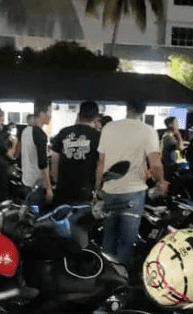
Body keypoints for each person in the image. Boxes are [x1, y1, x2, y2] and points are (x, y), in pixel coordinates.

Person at [95, 97, 167, 265]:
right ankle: (122, 274)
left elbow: (101, 162)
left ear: (127, 108)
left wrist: (98, 186)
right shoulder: (148, 131)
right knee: (126, 241)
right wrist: (161, 181)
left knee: (109, 235)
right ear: (143, 110)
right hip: (133, 193)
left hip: (110, 190)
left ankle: (106, 272)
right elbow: (155, 164)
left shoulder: (109, 128)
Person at [51, 100, 102, 205]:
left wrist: (55, 181)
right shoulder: (98, 136)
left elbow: (54, 159)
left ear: (79, 115)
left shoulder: (64, 132)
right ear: (96, 118)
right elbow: (101, 163)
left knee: (62, 215)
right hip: (85, 191)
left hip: (63, 189)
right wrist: (97, 187)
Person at [20, 101, 54, 209]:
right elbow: (43, 164)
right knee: (38, 215)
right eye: (49, 113)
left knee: (29, 213)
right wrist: (49, 188)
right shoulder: (40, 134)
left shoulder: (25, 131)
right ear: (42, 114)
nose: (51, 116)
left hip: (26, 182)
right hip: (36, 186)